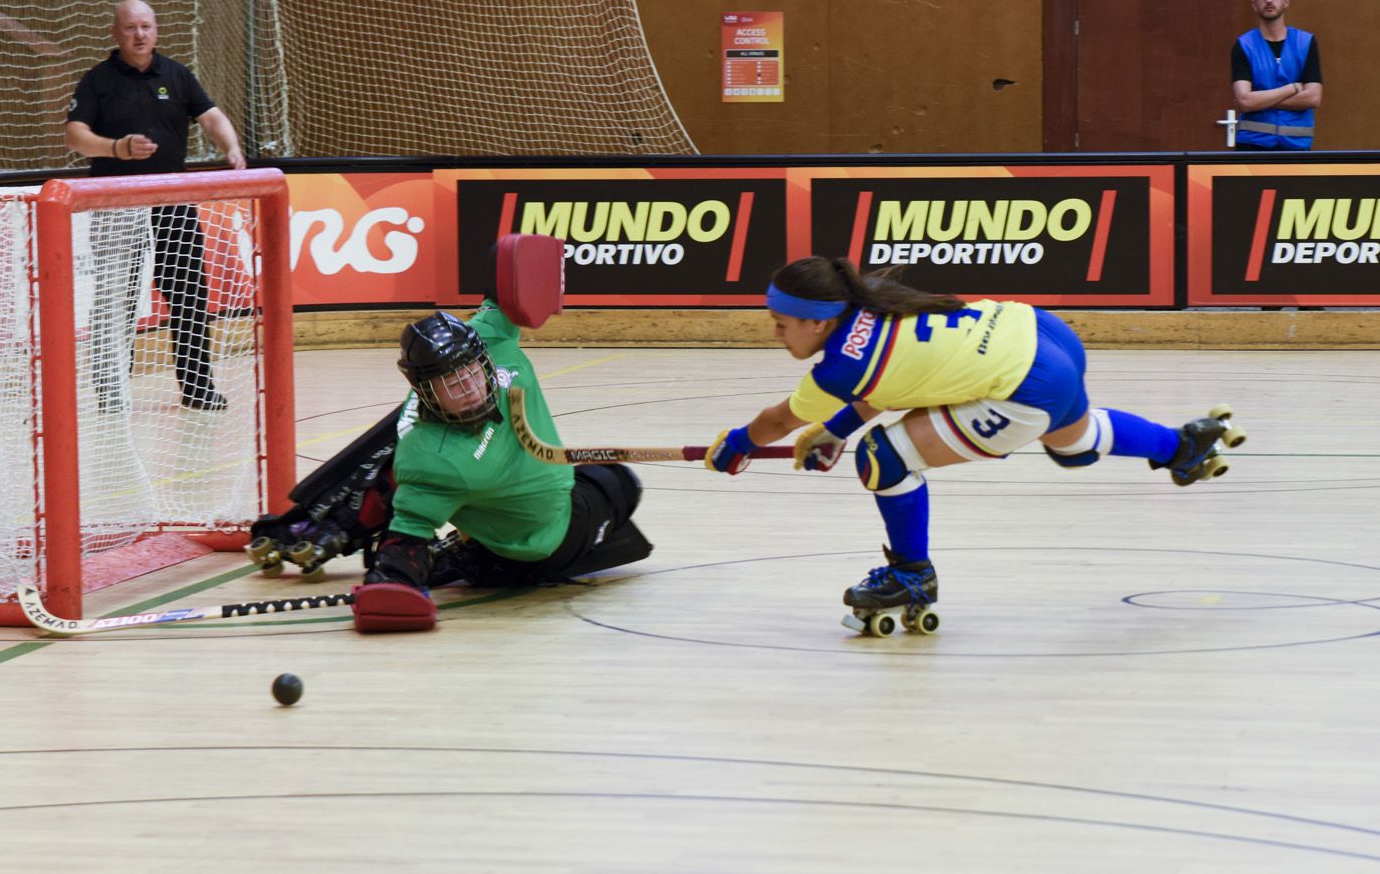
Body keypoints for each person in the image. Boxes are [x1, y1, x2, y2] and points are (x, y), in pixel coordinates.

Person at [704, 256, 1244, 634]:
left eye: (780, 325)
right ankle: (1184, 446)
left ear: (817, 323)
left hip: (1024, 386)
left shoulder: (840, 367)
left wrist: (736, 447)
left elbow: (777, 421)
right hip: (1039, 333)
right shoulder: (867, 300)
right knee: (1076, 447)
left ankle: (911, 577)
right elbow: (895, 383)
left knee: (882, 458)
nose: (775, 334)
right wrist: (836, 430)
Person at [352, 303, 653, 631]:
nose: (468, 387)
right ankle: (476, 559)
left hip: (550, 504)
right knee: (620, 482)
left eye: (470, 371)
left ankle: (470, 552)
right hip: (543, 547)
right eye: (450, 383)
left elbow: (506, 294)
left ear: (483, 357)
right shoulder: (431, 455)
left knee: (608, 475)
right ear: (426, 391)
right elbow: (406, 535)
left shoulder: (497, 342)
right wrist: (393, 581)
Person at [64, 0, 245, 410]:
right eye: (130, 28)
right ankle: (112, 393)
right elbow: (74, 136)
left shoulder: (178, 76)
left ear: (157, 30)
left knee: (188, 294)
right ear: (115, 33)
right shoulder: (97, 80)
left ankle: (198, 389)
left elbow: (212, 117)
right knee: (115, 297)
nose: (140, 34)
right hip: (115, 205)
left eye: (146, 26)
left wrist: (231, 147)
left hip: (173, 202)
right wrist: (117, 148)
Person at [1231, 0, 1323, 150]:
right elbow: (1245, 102)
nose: (1269, 0)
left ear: (1286, 0)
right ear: (1254, 4)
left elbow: (1313, 98)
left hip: (1296, 147)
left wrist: (1261, 99)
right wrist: (1292, 88)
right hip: (1252, 146)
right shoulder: (1244, 45)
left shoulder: (1306, 42)